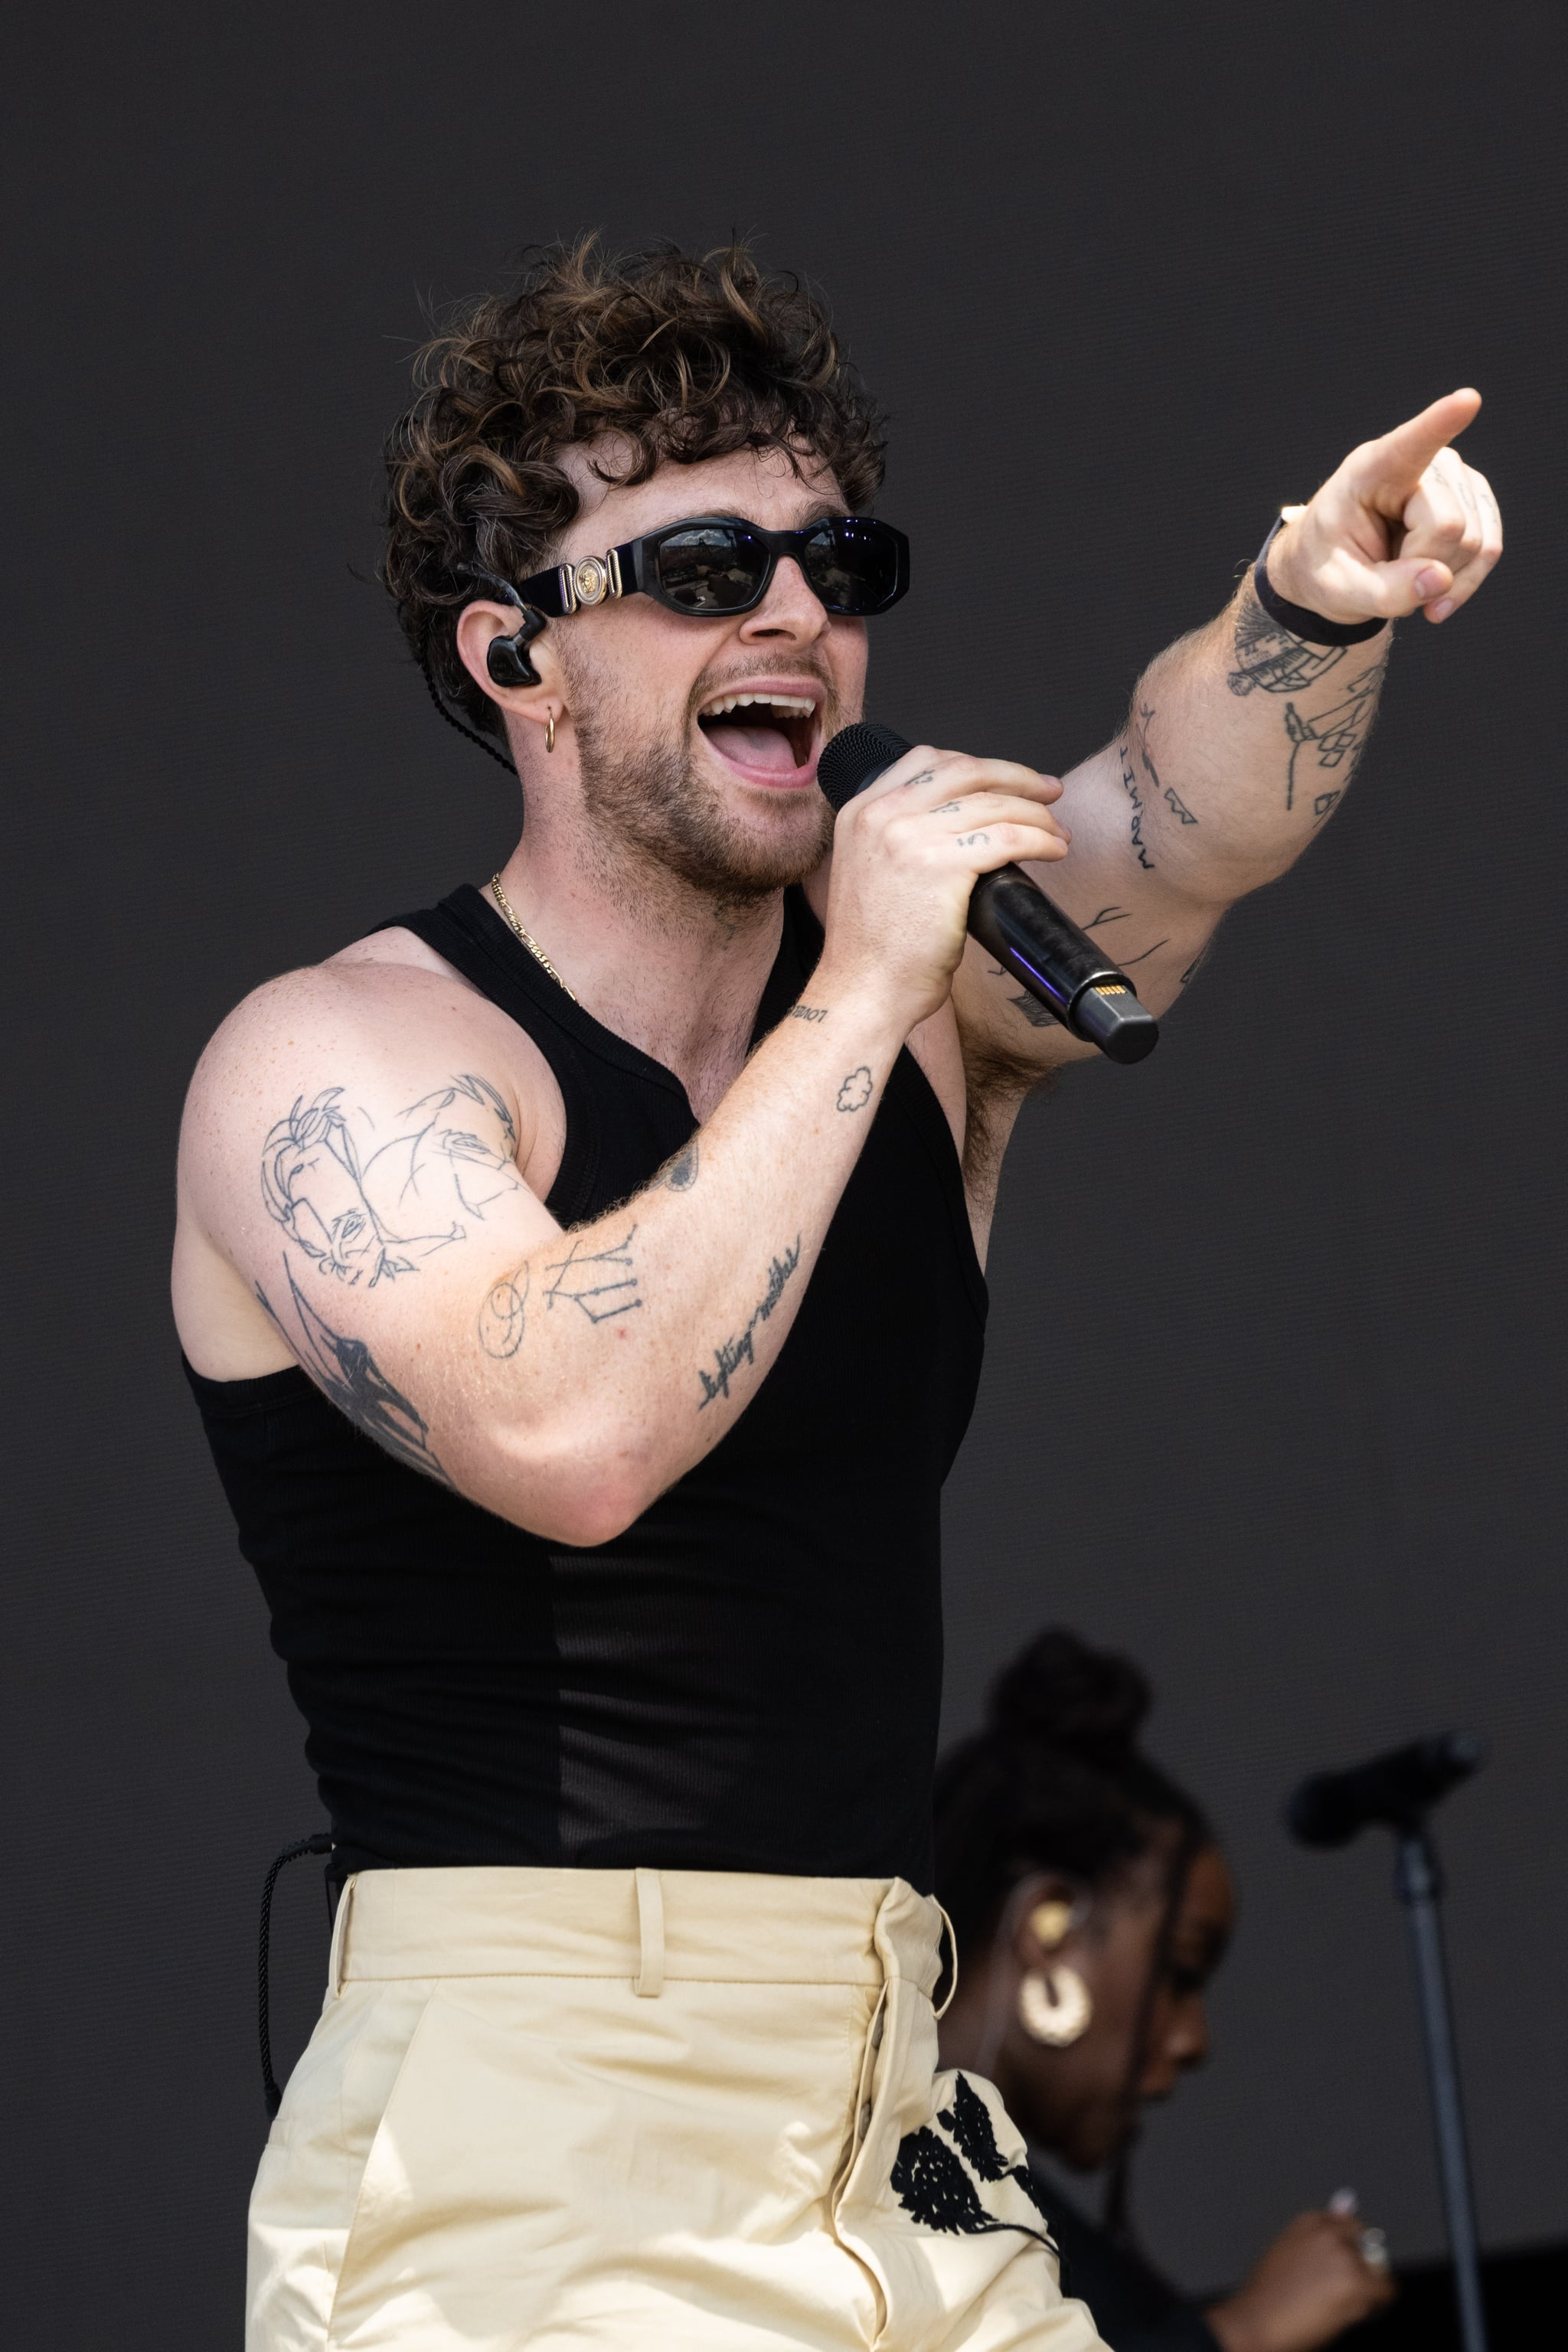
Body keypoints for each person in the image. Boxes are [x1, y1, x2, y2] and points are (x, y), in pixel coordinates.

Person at [171, 238, 1501, 2350]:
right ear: (518, 658)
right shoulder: (338, 1062)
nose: (795, 610)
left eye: (832, 560)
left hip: (890, 2104)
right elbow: (573, 1435)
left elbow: (1171, 818)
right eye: (700, 569)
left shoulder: (939, 995)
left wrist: (1312, 611)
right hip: (537, 2141)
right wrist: (873, 981)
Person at [936, 1628, 1398, 2352]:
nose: (1194, 2040)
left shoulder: (1007, 2207)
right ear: (1049, 1932)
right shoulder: (875, 2180)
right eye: (1179, 1972)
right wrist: (1247, 2332)